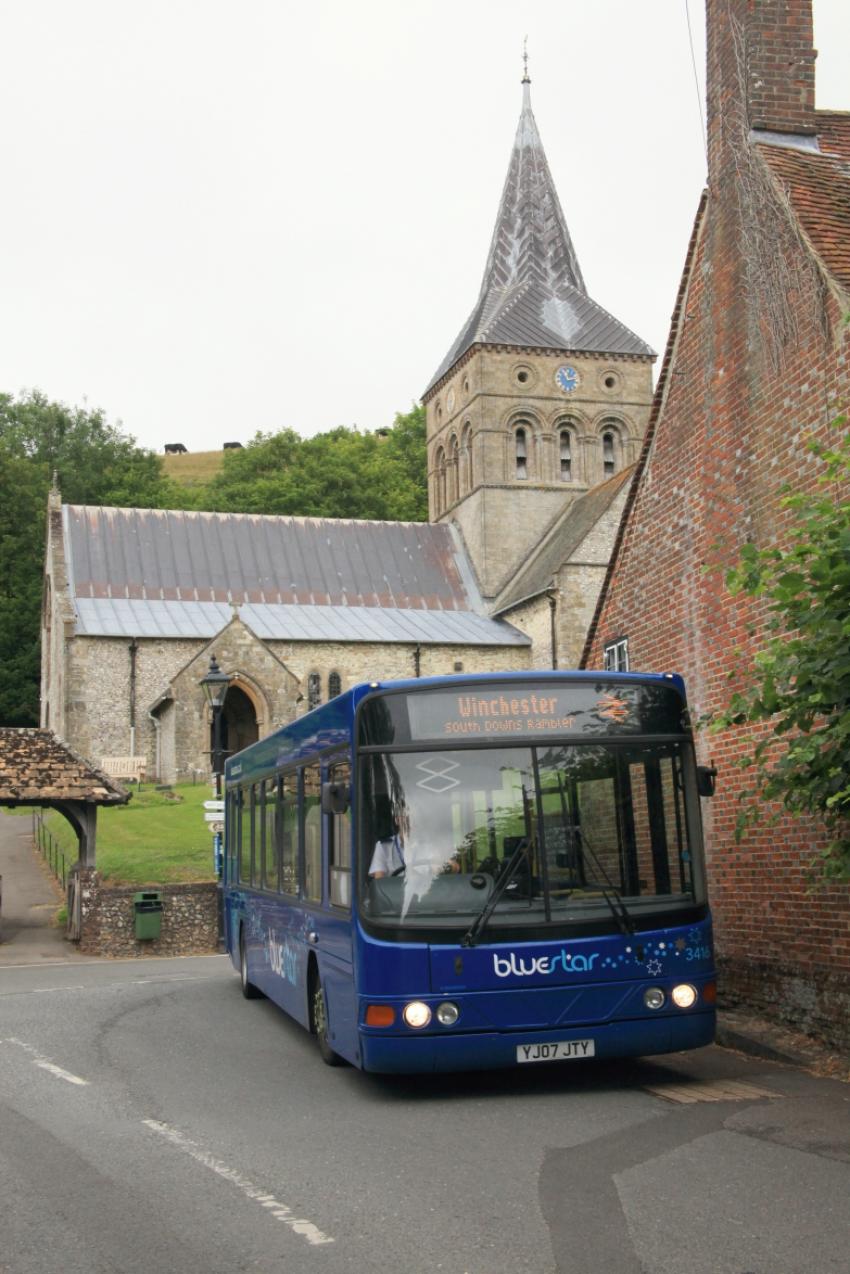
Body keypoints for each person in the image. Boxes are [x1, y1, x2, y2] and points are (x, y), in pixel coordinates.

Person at [369, 814, 460, 879]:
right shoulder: (383, 846)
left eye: (413, 815)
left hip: (424, 898)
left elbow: (453, 867)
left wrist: (446, 866)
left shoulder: (429, 846)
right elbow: (379, 883)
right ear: (397, 820)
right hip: (394, 902)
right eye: (404, 815)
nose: (409, 819)